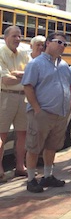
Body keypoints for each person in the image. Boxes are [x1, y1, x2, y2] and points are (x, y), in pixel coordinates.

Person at [21, 32, 71, 193]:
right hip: (42, 113)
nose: (62, 46)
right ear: (48, 43)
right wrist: (37, 108)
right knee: (34, 146)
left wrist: (68, 108)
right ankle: (31, 179)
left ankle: (48, 176)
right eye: (59, 42)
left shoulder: (64, 65)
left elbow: (69, 86)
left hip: (60, 114)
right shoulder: (36, 64)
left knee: (52, 146)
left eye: (65, 44)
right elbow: (28, 86)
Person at [0, 26, 31, 182]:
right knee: (2, 134)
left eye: (19, 36)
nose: (17, 39)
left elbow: (33, 74)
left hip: (23, 97)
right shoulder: (1, 53)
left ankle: (20, 166)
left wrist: (16, 74)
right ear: (6, 38)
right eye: (14, 36)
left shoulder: (24, 54)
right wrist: (24, 77)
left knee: (22, 133)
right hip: (5, 96)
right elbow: (5, 79)